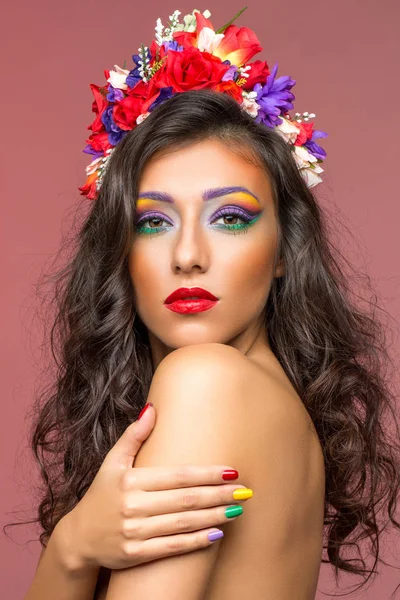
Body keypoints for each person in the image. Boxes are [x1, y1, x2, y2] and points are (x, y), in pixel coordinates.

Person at [17, 6, 400, 600]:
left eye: (229, 218)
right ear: (120, 249)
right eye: (152, 222)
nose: (188, 254)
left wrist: (71, 550)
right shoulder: (275, 407)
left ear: (282, 251)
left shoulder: (206, 381)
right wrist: (74, 546)